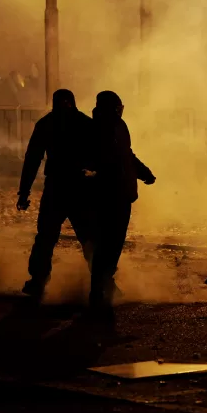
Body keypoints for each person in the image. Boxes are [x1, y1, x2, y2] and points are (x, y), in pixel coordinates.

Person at [17, 89, 95, 300]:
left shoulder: (47, 124)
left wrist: (24, 193)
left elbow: (32, 159)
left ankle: (38, 282)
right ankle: (103, 283)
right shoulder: (84, 123)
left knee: (48, 237)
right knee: (87, 237)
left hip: (60, 188)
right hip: (76, 188)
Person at [89, 90, 155, 312]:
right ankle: (100, 290)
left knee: (111, 243)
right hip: (111, 193)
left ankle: (104, 286)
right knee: (109, 242)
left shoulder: (115, 125)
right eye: (118, 105)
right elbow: (116, 158)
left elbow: (127, 155)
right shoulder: (101, 127)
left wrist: (142, 172)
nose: (120, 108)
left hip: (119, 192)